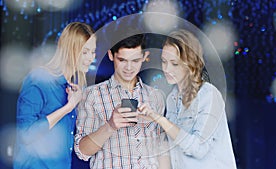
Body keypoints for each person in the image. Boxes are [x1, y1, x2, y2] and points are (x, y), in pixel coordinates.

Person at [138, 29, 237, 169]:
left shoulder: (209, 95)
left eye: (174, 63)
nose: (166, 68)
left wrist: (160, 119)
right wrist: (153, 122)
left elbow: (198, 149)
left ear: (189, 63)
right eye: (164, 61)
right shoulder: (172, 98)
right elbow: (173, 149)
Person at [74, 34, 170, 169]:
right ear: (111, 55)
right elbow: (82, 152)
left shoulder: (156, 97)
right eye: (122, 60)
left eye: (135, 60)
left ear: (144, 56)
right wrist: (111, 126)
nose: (129, 67)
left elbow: (162, 149)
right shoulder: (92, 95)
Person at [13, 22, 96, 169]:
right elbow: (25, 135)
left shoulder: (72, 89)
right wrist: (68, 107)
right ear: (70, 49)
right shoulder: (39, 79)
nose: (91, 58)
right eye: (85, 52)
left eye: (93, 52)